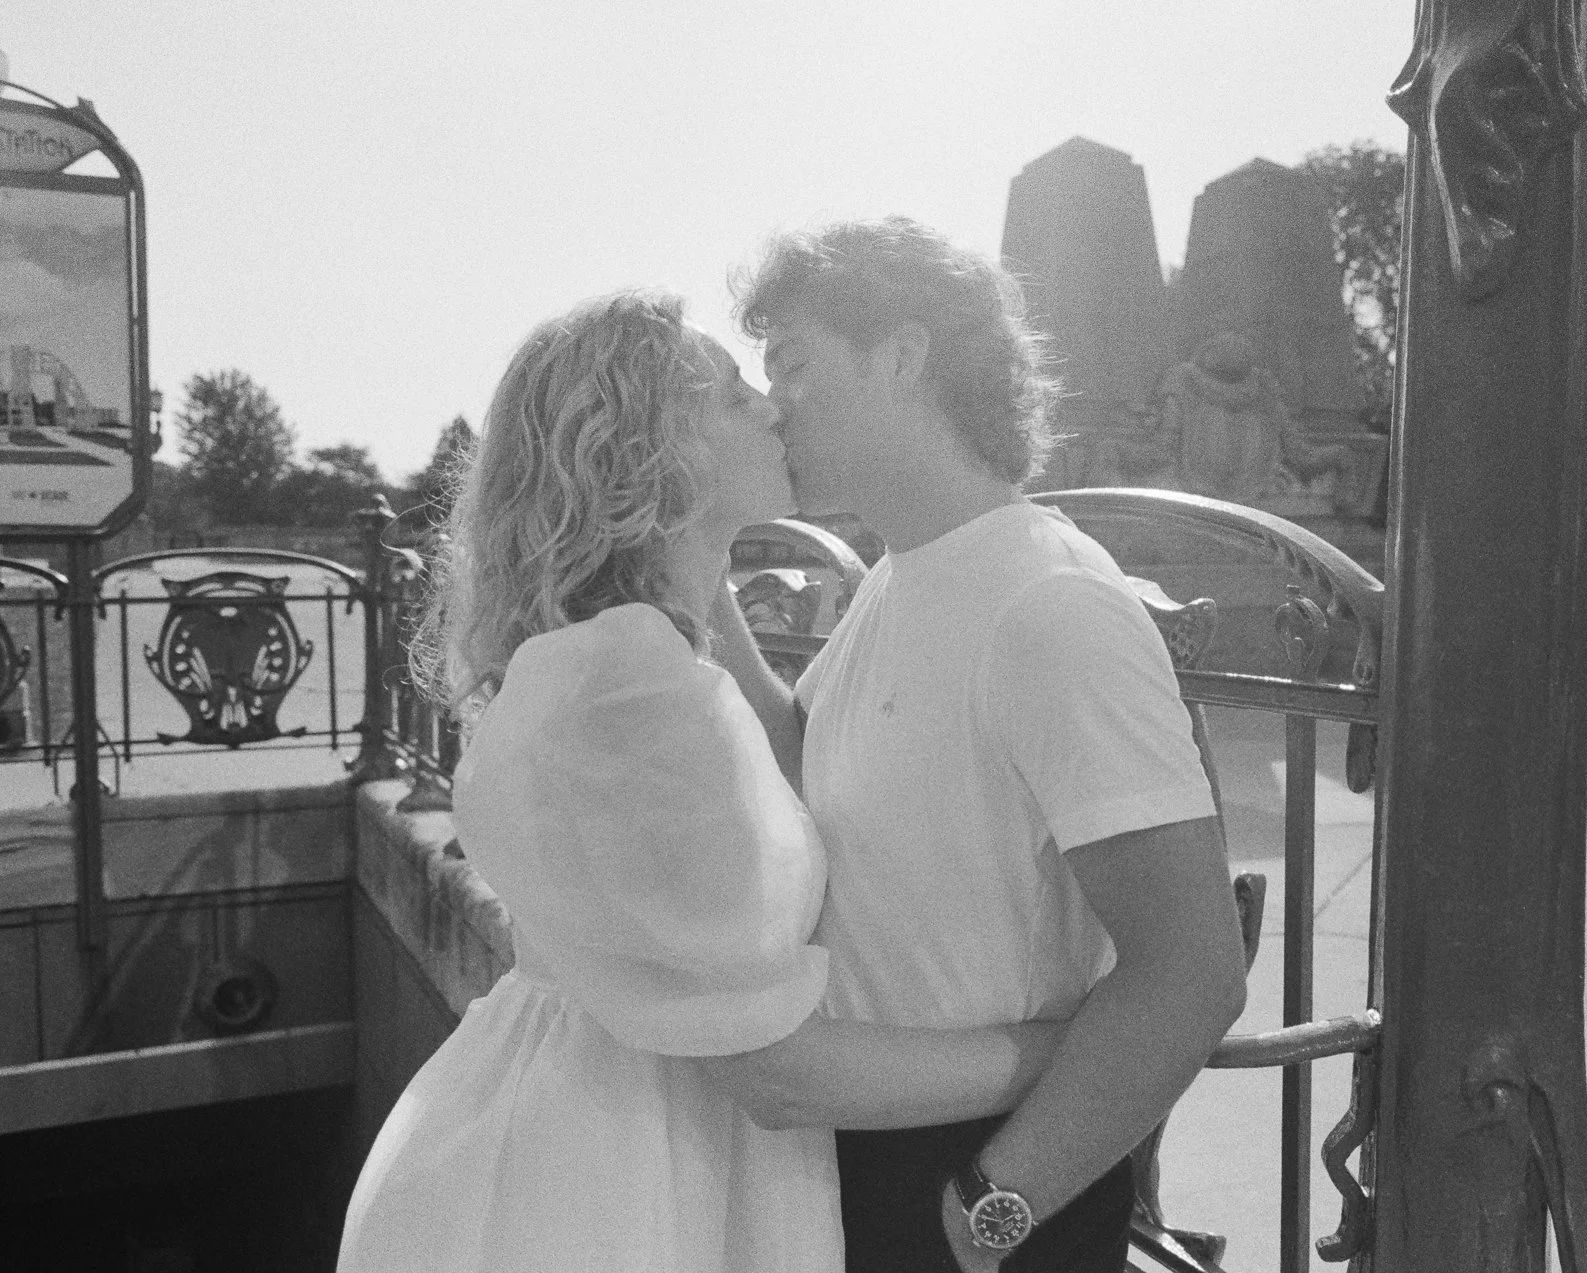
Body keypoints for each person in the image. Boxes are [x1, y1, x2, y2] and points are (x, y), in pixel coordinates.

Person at [334, 290, 1065, 1273]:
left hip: (575, 1129)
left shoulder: (616, 657)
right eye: (729, 395)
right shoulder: (635, 697)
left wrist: (695, 556)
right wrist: (1078, 1046)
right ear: (649, 455)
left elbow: (784, 766)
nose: (771, 405)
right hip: (631, 1183)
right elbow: (781, 1072)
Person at [722, 218, 1250, 1272]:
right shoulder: (902, 574)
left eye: (792, 361)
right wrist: (697, 575)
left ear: (904, 354)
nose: (773, 401)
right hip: (863, 1165)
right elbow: (801, 760)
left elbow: (1192, 970)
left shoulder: (1049, 604)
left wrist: (987, 1212)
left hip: (982, 1191)